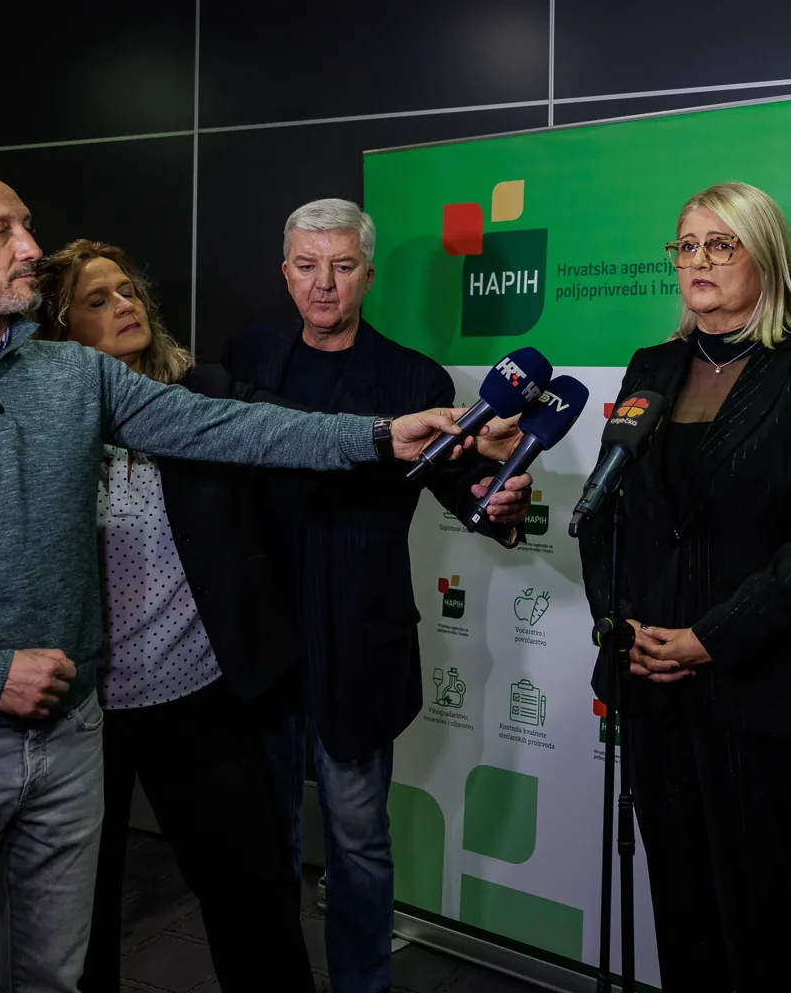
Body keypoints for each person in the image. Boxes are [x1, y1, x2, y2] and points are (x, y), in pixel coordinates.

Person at [0, 171, 483, 993]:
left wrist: (381, 434)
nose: (30, 246)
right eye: (3, 230)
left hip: (75, 732)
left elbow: (232, 425)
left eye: (27, 224)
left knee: (53, 966)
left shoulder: (76, 378)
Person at [35, 240, 530, 992]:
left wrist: (428, 447)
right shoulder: (44, 418)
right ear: (59, 327)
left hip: (203, 686)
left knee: (263, 886)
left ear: (369, 272)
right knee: (79, 902)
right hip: (86, 705)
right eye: (97, 300)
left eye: (128, 290)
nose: (125, 305)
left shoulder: (205, 390)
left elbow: (290, 429)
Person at [226, 197, 528, 993]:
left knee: (357, 840)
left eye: (341, 266)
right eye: (306, 266)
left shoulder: (413, 378)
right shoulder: (246, 354)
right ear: (284, 271)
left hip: (357, 639)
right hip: (260, 639)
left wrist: (495, 504)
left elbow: (460, 485)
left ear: (368, 273)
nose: (323, 284)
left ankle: (362, 986)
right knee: (263, 839)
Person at [574, 181, 791, 992]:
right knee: (681, 912)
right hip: (653, 685)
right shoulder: (652, 368)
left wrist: (711, 639)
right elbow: (604, 511)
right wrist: (621, 626)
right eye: (686, 245)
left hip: (760, 692)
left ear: (764, 256)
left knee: (759, 919)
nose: (698, 260)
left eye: (720, 243)